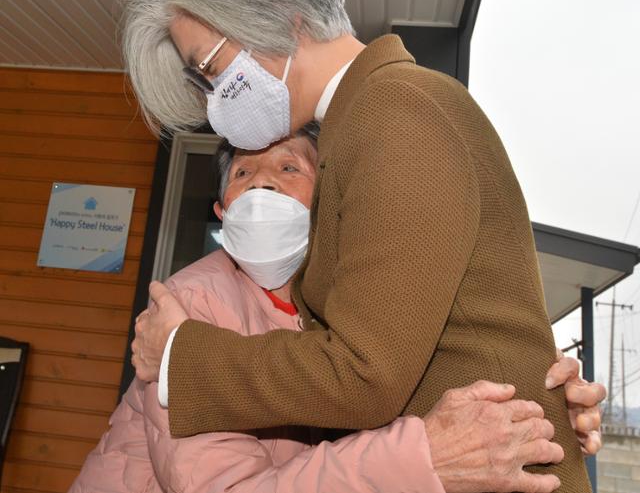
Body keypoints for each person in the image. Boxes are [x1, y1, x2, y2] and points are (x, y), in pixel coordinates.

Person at [127, 0, 605, 492]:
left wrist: (180, 354)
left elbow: (364, 372)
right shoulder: (363, 126)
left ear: (280, 14)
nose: (213, 98)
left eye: (210, 69)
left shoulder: (396, 109)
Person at [72, 130, 595, 492]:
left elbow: (406, 394)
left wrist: (533, 399)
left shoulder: (357, 303)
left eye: (289, 166)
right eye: (243, 173)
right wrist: (423, 457)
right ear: (222, 211)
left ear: (327, 199)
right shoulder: (187, 308)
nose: (262, 183)